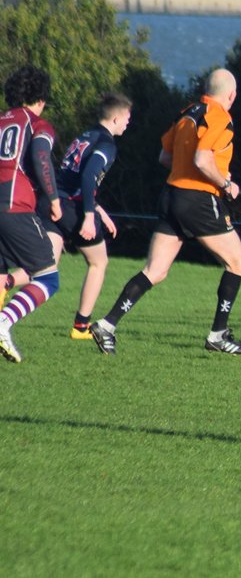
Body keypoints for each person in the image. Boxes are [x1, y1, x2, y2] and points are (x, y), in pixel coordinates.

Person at [89, 68, 241, 356]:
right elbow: (202, 159)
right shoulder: (220, 116)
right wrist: (225, 183)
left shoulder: (188, 112)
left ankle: (107, 324)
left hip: (171, 195)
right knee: (238, 261)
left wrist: (195, 170)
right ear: (232, 95)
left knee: (155, 270)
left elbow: (165, 156)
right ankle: (218, 335)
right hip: (199, 199)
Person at [0, 66, 65, 365]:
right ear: (41, 99)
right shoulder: (38, 123)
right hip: (14, 207)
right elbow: (41, 157)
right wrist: (54, 199)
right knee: (48, 278)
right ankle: (4, 322)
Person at [55, 93, 133, 340]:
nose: (128, 123)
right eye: (127, 118)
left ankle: (5, 284)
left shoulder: (85, 136)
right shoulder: (107, 144)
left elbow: (71, 177)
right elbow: (88, 177)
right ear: (116, 118)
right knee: (99, 262)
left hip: (53, 202)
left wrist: (99, 210)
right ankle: (81, 327)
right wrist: (89, 216)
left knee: (44, 270)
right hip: (72, 207)